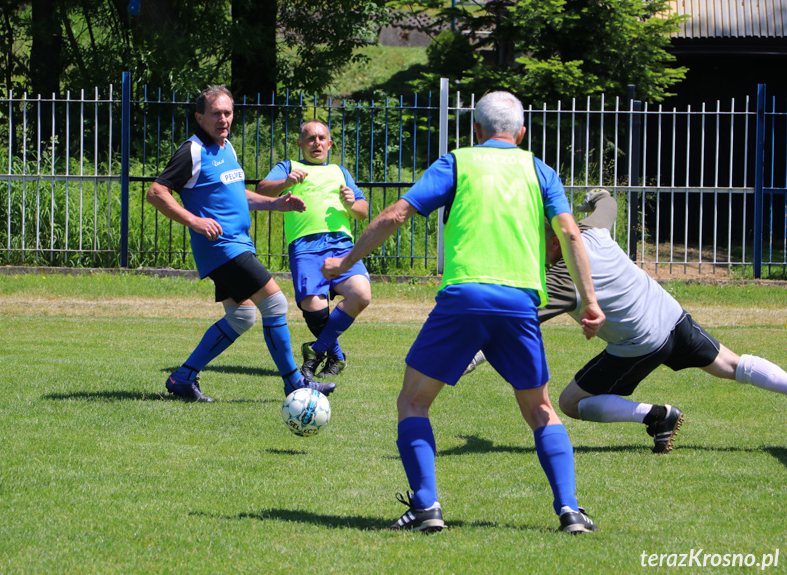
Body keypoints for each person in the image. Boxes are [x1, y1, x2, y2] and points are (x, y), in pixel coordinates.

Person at [322, 91, 606, 534]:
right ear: (522, 133)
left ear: (476, 129)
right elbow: (570, 233)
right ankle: (570, 511)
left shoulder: (457, 162)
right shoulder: (540, 170)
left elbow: (397, 215)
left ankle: (426, 508)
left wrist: (343, 263)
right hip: (519, 303)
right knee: (540, 410)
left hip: (464, 298)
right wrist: (590, 301)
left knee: (413, 401)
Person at [468, 189, 787, 453]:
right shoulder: (590, 229)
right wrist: (597, 195)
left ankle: (658, 416)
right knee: (731, 365)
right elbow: (608, 204)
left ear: (554, 242)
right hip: (670, 313)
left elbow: (514, 323)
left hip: (642, 341)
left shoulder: (563, 278)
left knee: (571, 402)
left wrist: (473, 354)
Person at [146, 85, 336, 402]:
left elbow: (238, 195)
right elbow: (157, 192)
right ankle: (295, 383)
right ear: (199, 117)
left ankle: (183, 378)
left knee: (242, 317)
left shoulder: (227, 149)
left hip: (238, 245)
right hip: (222, 248)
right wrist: (194, 220)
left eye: (228, 112)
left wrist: (275, 204)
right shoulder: (192, 151)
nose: (224, 119)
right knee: (275, 303)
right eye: (216, 113)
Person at [256, 120, 371, 380]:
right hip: (305, 247)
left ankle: (316, 350)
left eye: (322, 139)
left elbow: (363, 212)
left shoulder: (340, 171)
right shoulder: (289, 166)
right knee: (314, 308)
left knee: (361, 295)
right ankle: (337, 356)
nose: (316, 143)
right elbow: (261, 189)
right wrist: (285, 182)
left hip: (341, 245)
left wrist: (352, 203)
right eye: (310, 138)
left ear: (329, 144)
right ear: (300, 144)